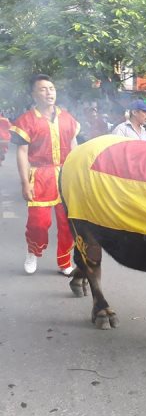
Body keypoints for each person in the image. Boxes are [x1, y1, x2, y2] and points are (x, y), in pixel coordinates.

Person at [9, 74, 80, 275]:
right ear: (34, 94)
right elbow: (22, 153)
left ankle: (65, 261)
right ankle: (33, 251)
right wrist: (25, 182)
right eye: (43, 89)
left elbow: (74, 147)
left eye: (51, 88)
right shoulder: (26, 120)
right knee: (39, 223)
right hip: (40, 176)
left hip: (66, 175)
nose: (49, 92)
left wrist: (78, 175)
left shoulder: (67, 118)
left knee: (67, 223)